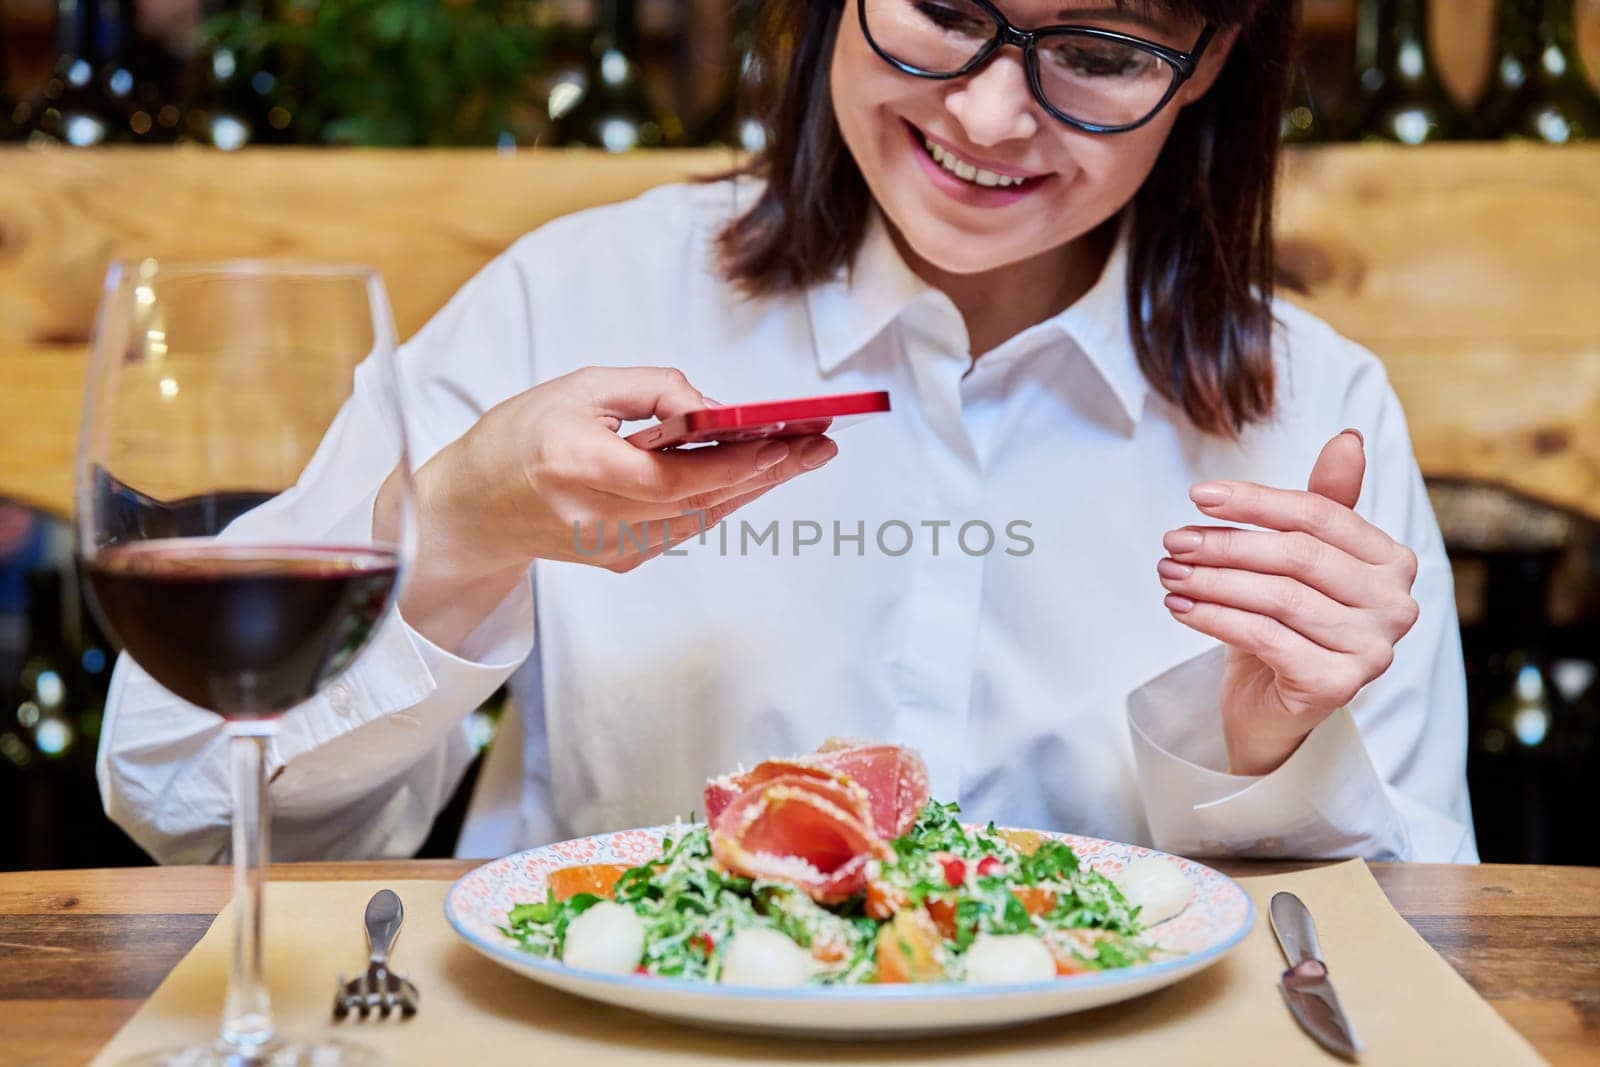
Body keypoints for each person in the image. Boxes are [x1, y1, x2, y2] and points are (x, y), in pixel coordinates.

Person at [98, 0, 1477, 865]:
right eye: (942, 9)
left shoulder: (1320, 412)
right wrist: (451, 538)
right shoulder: (569, 300)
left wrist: (1272, 756)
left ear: (1209, 62)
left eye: (1102, 52)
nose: (993, 116)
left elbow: (1418, 961)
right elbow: (178, 795)